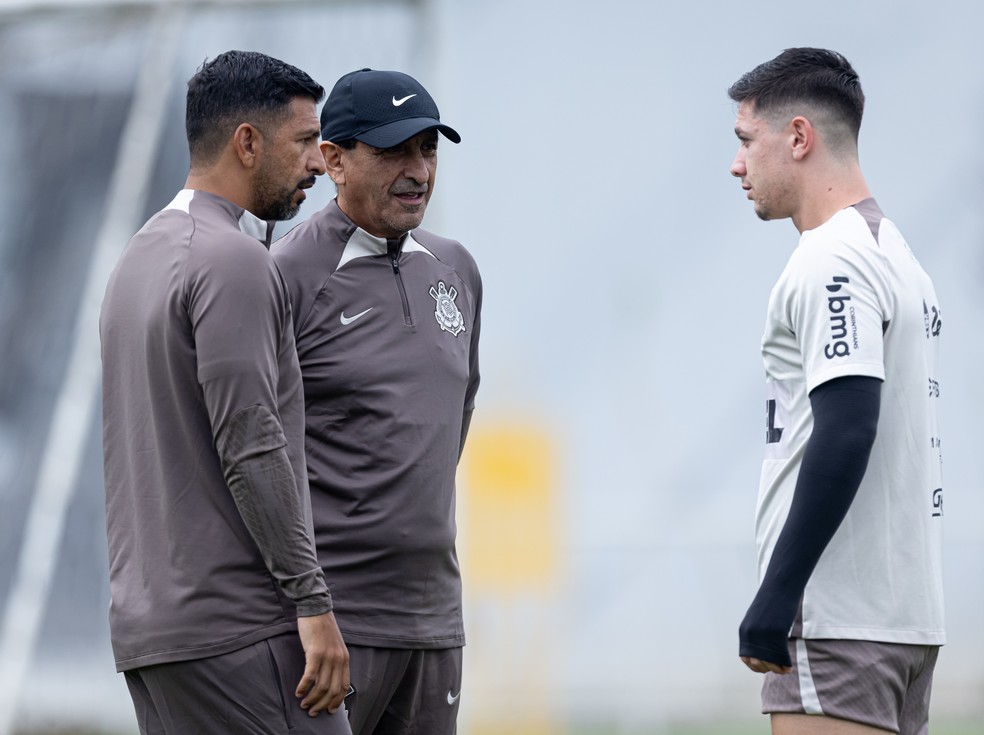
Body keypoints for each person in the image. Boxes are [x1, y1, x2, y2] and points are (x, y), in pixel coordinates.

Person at [100, 50, 352, 734]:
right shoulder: (232, 259)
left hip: (154, 636)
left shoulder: (138, 258)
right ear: (247, 142)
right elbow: (251, 442)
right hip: (239, 631)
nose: (318, 164)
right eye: (304, 141)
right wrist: (311, 601)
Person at [728, 48, 945, 734]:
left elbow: (849, 426)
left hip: (837, 619)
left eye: (744, 141)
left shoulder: (832, 258)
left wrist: (777, 594)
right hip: (905, 618)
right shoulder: (895, 252)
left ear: (798, 137)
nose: (737, 165)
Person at [272, 68, 481, 735]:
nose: (417, 169)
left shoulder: (456, 269)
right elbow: (251, 441)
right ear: (333, 159)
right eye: (394, 150)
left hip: (434, 617)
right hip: (331, 624)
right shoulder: (284, 275)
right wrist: (308, 604)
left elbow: (454, 419)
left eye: (428, 149)